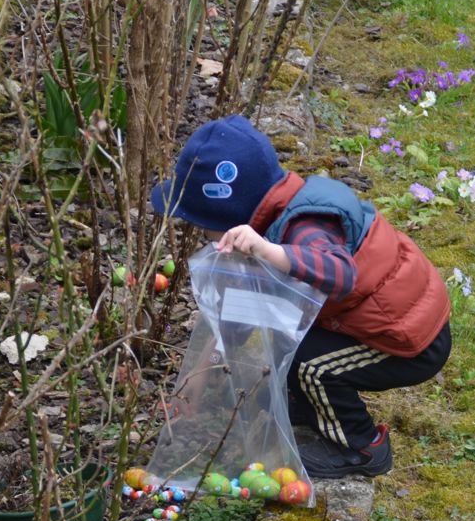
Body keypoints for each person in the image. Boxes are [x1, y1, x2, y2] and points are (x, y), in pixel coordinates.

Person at [150, 115, 451, 478]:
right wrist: (202, 369)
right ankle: (309, 407)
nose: (203, 235)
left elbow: (340, 275)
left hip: (406, 340)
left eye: (204, 225)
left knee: (310, 366)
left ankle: (362, 446)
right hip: (371, 319)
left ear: (230, 213)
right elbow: (247, 308)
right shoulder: (276, 214)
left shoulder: (305, 226)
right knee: (288, 341)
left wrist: (268, 251)